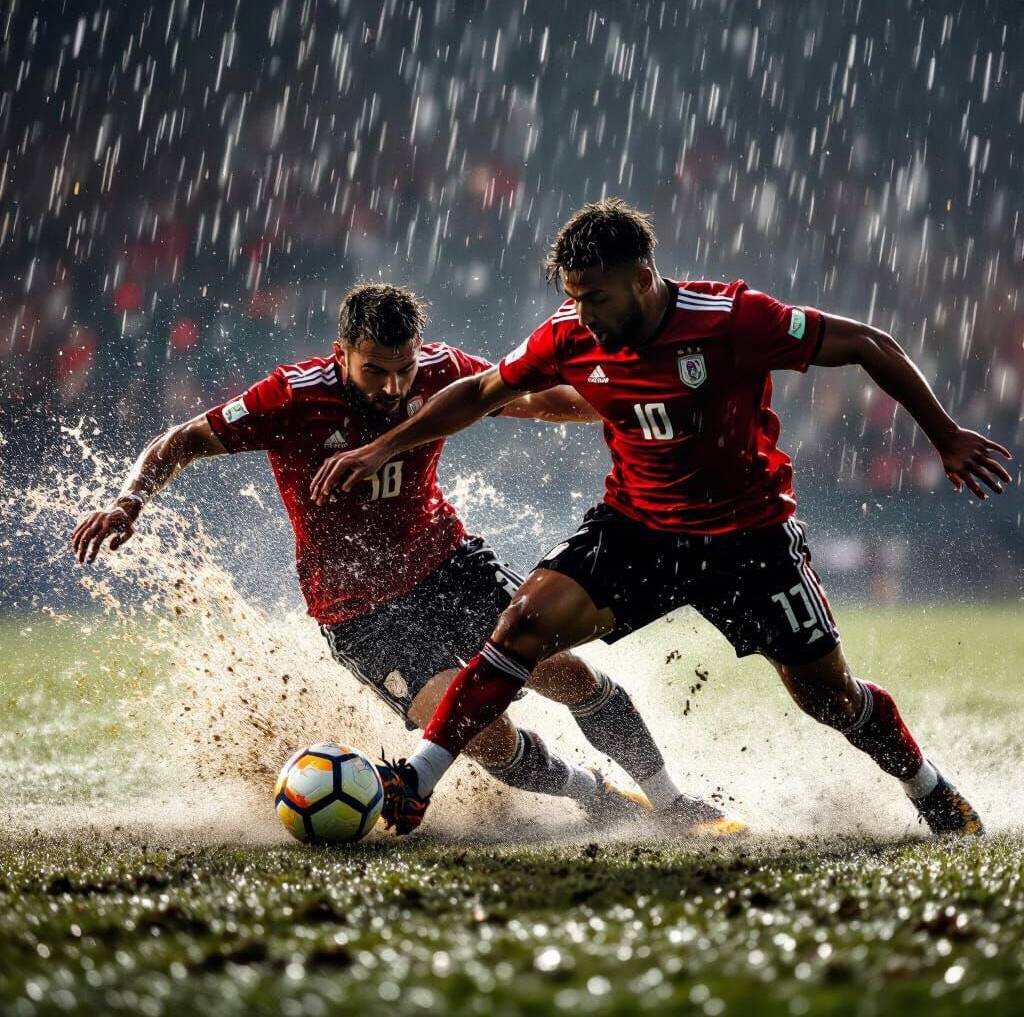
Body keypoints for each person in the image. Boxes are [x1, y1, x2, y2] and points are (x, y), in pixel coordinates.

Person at [313, 200, 1014, 837]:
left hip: (750, 538)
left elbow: (867, 343)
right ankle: (420, 778)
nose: (582, 314)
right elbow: (480, 391)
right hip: (638, 528)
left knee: (829, 698)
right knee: (522, 626)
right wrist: (383, 449)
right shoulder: (568, 333)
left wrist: (945, 435)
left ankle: (929, 788)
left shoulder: (733, 320)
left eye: (596, 298)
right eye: (573, 297)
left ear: (643, 278)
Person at [71, 281, 741, 835]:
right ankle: (591, 795)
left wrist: (632, 406)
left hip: (449, 565)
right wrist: (128, 504)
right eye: (375, 371)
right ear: (341, 356)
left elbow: (533, 399)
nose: (394, 388)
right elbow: (181, 440)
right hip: (358, 614)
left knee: (564, 672)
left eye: (404, 369)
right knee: (481, 731)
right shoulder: (291, 397)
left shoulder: (444, 370)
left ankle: (673, 801)